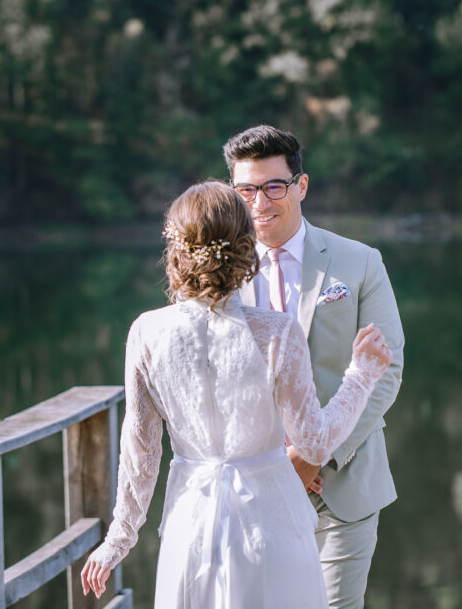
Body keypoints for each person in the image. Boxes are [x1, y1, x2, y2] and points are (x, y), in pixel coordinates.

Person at [80, 181, 392, 607]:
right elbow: (315, 441)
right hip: (272, 526)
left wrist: (118, 539)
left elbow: (140, 454)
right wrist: (361, 374)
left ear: (176, 252)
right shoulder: (276, 332)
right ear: (246, 251)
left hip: (190, 530)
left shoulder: (146, 333)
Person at [224, 125, 404, 608]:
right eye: (246, 190)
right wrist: (272, 464)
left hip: (341, 485)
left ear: (300, 186)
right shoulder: (220, 272)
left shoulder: (359, 262)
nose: (259, 203)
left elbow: (387, 369)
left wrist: (311, 456)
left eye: (272, 187)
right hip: (251, 487)